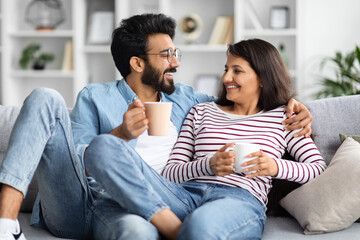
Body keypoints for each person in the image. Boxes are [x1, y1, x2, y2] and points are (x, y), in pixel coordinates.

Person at [0, 13, 312, 240]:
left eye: (175, 53)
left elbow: (242, 102)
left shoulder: (189, 99)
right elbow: (77, 163)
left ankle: (176, 232)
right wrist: (122, 133)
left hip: (151, 205)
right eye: (166, 55)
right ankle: (6, 222)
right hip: (84, 199)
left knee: (138, 233)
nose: (176, 62)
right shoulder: (94, 96)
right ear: (137, 63)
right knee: (46, 98)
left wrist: (294, 105)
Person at [84, 38, 327, 240]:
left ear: (263, 77)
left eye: (237, 71)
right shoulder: (202, 111)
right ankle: (174, 229)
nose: (226, 78)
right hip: (183, 195)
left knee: (200, 227)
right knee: (103, 146)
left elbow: (318, 169)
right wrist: (208, 164)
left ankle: (184, 231)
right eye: (226, 69)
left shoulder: (284, 117)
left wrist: (274, 167)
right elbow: (170, 172)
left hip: (238, 199)